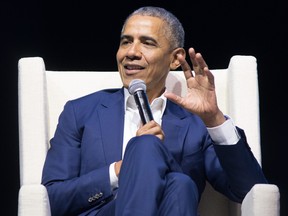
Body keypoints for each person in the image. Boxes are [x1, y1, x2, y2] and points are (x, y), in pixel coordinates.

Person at [41, 6, 268, 216]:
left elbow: (249, 191)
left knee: (180, 185)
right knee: (161, 161)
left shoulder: (196, 124)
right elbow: (52, 199)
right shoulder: (80, 112)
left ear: (175, 59)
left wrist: (214, 118)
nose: (131, 52)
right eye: (126, 42)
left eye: (147, 43)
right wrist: (120, 170)